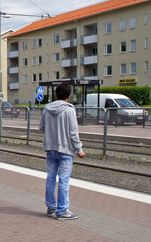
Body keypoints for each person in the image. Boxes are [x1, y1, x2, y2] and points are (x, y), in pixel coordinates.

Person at [39, 83, 86, 220]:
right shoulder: (69, 110)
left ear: (56, 94)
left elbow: (41, 127)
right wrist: (79, 149)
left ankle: (51, 207)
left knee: (50, 179)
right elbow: (73, 133)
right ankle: (62, 210)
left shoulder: (47, 109)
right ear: (69, 96)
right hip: (65, 150)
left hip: (50, 149)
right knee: (64, 181)